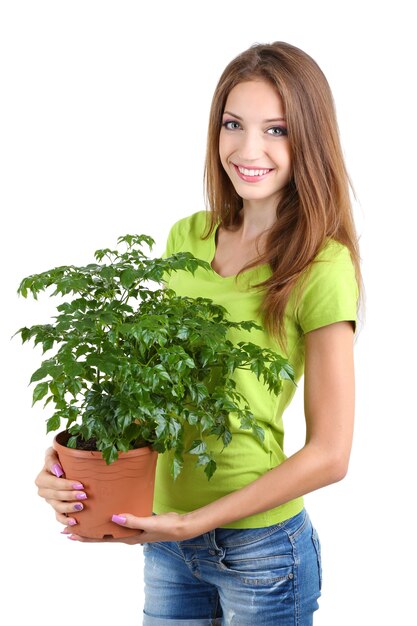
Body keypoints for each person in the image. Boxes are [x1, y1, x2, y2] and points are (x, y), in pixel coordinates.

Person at [35, 41, 362, 625]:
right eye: (233, 124)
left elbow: (331, 454)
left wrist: (198, 521)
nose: (248, 148)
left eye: (277, 130)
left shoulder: (321, 264)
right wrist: (71, 461)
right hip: (163, 542)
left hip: (262, 553)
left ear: (308, 141)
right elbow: (151, 392)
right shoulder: (186, 238)